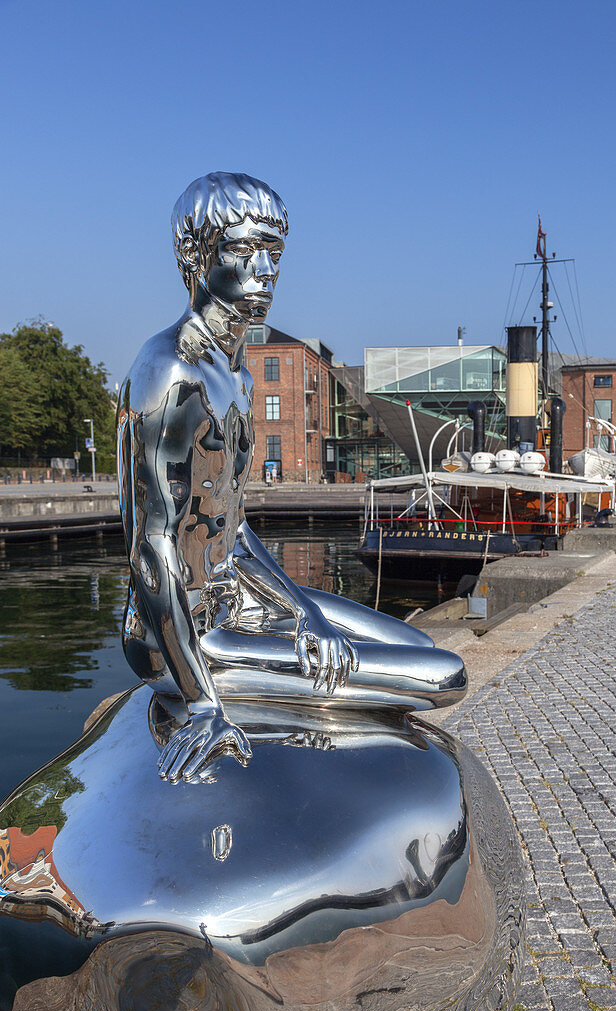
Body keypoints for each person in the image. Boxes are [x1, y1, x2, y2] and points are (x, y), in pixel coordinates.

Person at [117, 172, 465, 784]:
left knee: (420, 647)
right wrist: (202, 704)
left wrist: (305, 614)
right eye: (243, 250)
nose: (265, 269)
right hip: (179, 636)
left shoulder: (240, 375)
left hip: (240, 603)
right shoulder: (169, 373)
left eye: (273, 253)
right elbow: (154, 550)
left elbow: (231, 527)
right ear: (198, 259)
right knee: (444, 676)